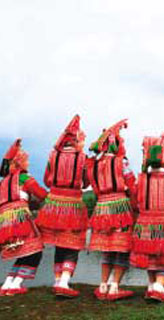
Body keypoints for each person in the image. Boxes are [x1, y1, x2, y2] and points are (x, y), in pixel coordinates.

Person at [35, 115, 89, 297]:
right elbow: (86, 183)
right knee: (72, 243)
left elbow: (46, 180)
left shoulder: (53, 156)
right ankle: (64, 282)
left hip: (53, 204)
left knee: (58, 242)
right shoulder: (82, 158)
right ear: (75, 141)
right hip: (72, 203)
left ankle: (57, 280)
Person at [130, 133, 164, 302]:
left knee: (151, 259)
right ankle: (159, 287)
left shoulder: (140, 181)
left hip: (144, 224)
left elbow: (133, 203)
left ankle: (152, 286)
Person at [87, 119, 136, 300]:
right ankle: (115, 287)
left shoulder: (93, 165)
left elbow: (93, 187)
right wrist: (136, 205)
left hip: (101, 208)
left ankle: (102, 285)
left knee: (107, 247)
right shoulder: (121, 162)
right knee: (121, 247)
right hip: (119, 207)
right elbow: (132, 184)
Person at [0, 139, 48, 296]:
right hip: (21, 219)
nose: (28, 163)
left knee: (22, 251)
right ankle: (16, 284)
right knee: (35, 250)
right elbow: (42, 194)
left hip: (5, 221)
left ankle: (7, 284)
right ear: (20, 163)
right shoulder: (24, 178)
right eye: (26, 161)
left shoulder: (4, 181)